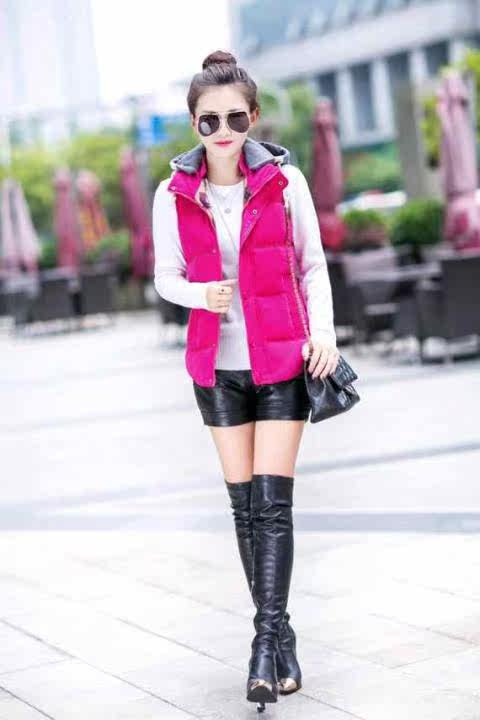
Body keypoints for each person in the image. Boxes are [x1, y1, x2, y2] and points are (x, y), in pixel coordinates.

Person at [152, 49, 339, 709]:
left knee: (272, 505)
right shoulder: (174, 194)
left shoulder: (285, 181)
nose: (223, 130)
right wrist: (199, 296)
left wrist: (324, 334)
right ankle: (282, 639)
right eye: (210, 120)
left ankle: (262, 646)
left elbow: (312, 265)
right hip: (217, 368)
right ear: (194, 125)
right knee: (244, 509)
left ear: (254, 117)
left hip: (282, 359)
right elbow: (165, 277)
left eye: (235, 117)